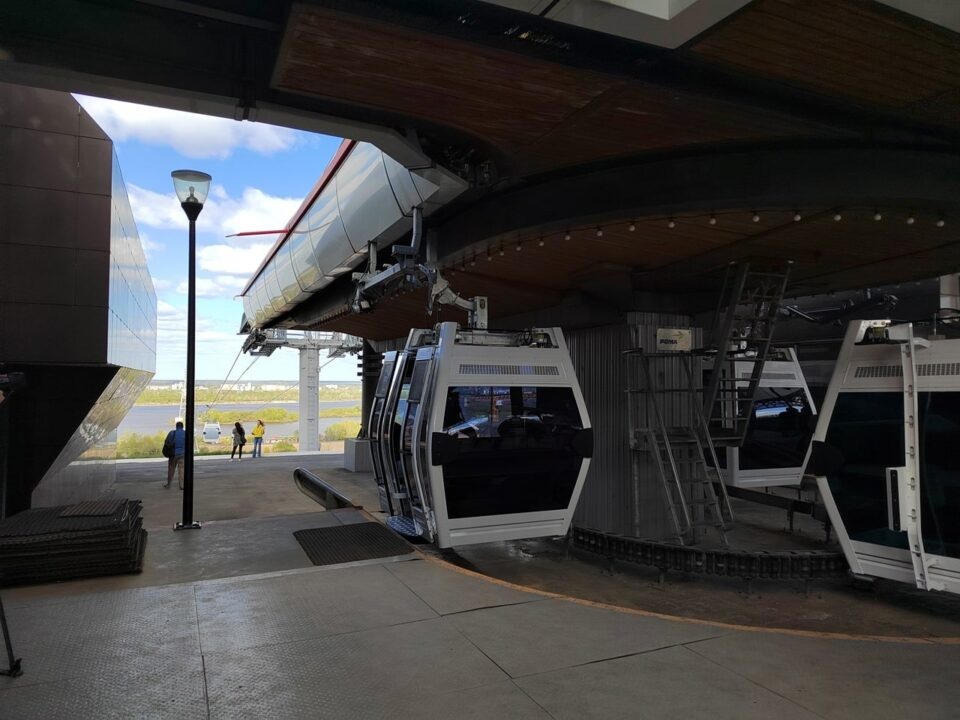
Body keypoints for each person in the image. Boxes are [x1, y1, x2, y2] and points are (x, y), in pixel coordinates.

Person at [164, 421, 186, 489]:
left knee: (171, 469)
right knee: (181, 470)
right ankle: (181, 485)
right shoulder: (185, 433)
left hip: (173, 455)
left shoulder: (172, 433)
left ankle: (169, 485)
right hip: (182, 455)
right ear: (182, 427)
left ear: (176, 427)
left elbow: (166, 442)